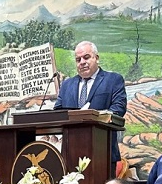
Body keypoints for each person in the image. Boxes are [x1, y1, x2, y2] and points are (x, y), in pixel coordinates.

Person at [54, 41, 127, 176]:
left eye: (86, 57)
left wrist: (93, 116)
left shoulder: (112, 80)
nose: (82, 62)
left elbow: (119, 108)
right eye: (78, 59)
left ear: (97, 58)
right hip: (70, 154)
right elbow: (58, 112)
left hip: (102, 151)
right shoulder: (67, 85)